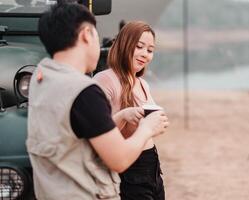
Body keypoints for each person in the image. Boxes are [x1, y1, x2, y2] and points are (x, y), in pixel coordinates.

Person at [26, 3, 169, 200]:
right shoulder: (84, 92)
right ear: (86, 34)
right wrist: (147, 128)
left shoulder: (41, 77)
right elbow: (119, 159)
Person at [94, 21, 167, 200]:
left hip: (152, 166)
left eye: (150, 50)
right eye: (139, 46)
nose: (145, 54)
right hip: (128, 169)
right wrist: (123, 115)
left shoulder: (143, 84)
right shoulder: (104, 80)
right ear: (124, 44)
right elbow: (97, 133)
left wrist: (158, 122)